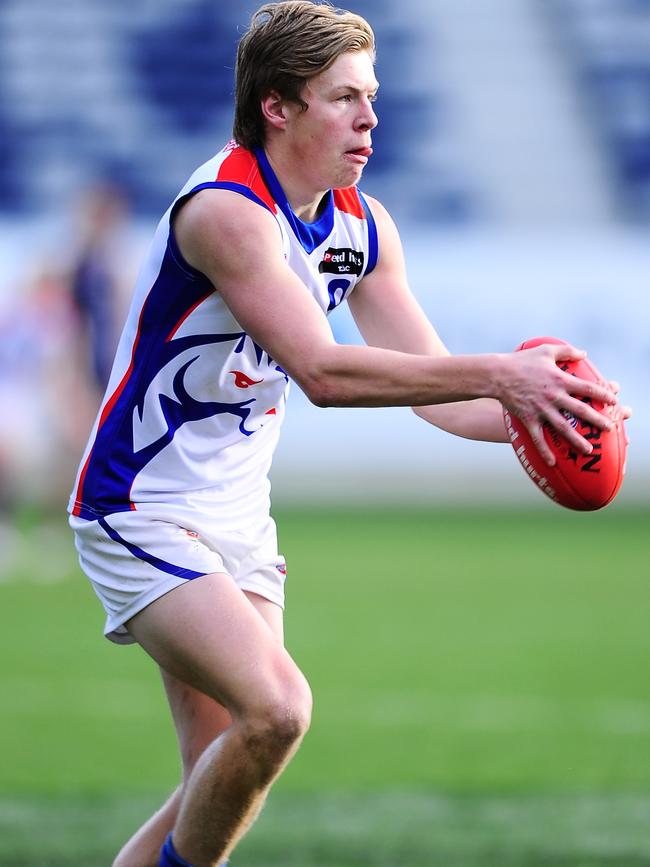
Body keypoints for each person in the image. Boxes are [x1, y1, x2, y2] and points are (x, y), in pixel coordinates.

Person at [68, 3, 626, 866]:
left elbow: (438, 394)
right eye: (343, 98)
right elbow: (324, 372)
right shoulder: (225, 211)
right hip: (138, 504)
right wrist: (502, 372)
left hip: (236, 515)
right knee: (279, 710)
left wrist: (551, 411)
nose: (370, 118)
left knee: (216, 773)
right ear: (278, 108)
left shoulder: (362, 227)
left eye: (372, 95)